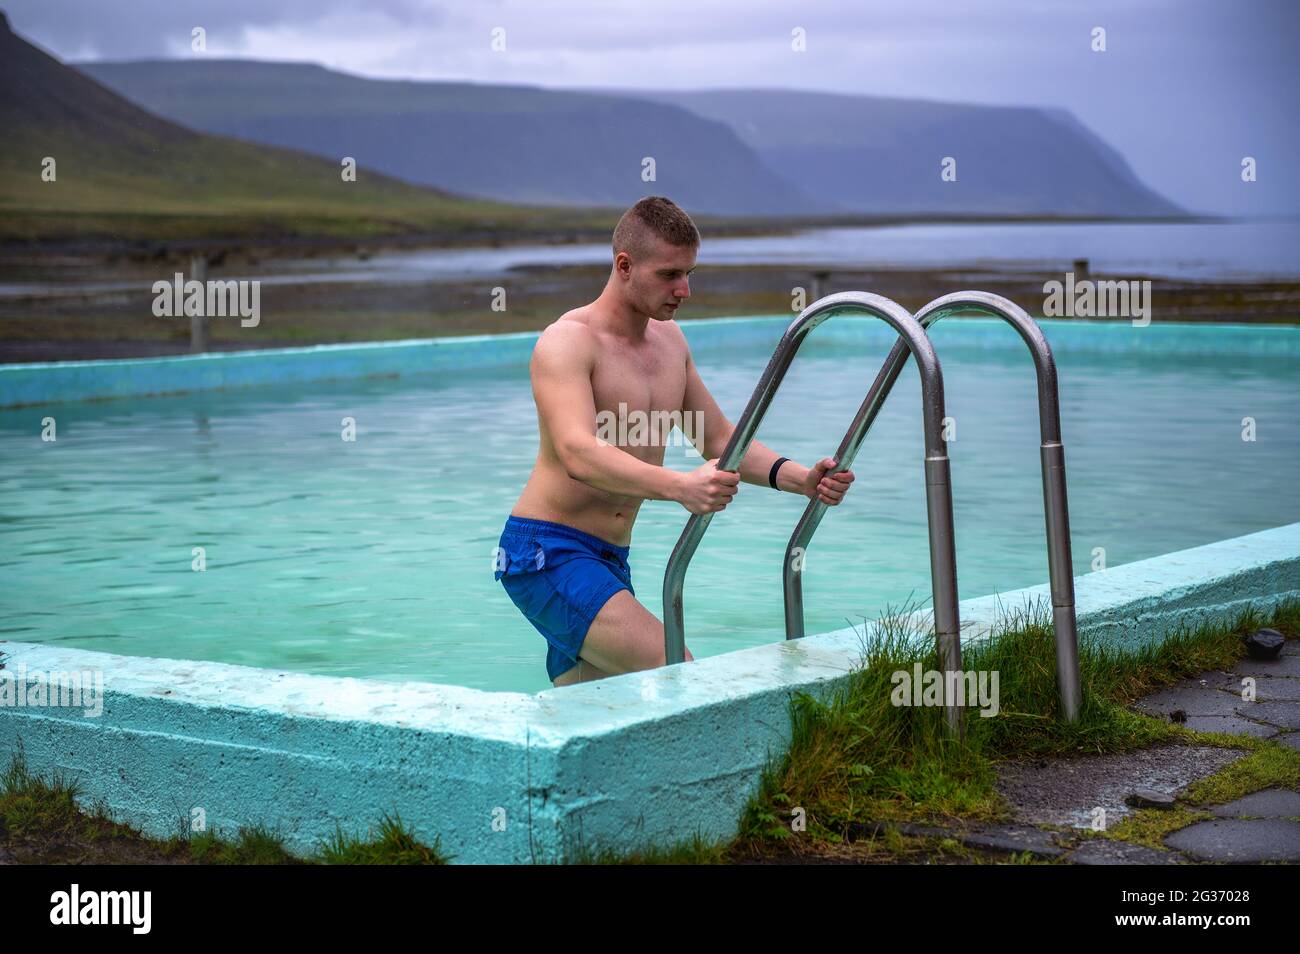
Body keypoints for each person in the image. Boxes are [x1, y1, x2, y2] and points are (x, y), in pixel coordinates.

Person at [493, 196, 856, 687]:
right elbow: (577, 452)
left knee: (597, 713)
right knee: (675, 671)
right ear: (625, 266)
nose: (684, 289)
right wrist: (680, 486)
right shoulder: (568, 342)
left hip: (610, 559)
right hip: (547, 552)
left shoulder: (670, 344)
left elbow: (719, 438)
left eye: (690, 273)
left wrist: (801, 479)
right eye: (669, 275)